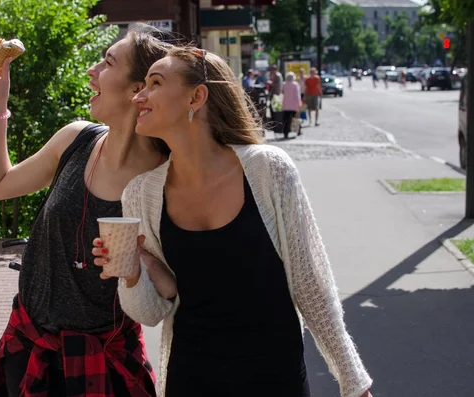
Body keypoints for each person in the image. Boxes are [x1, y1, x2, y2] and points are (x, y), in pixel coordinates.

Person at [92, 47, 373, 397]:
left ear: (197, 96)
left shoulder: (269, 171)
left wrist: (354, 381)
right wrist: (132, 273)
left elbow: (311, 285)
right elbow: (150, 312)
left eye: (156, 83)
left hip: (276, 378)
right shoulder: (141, 194)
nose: (140, 95)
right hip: (191, 379)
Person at [0, 24, 173, 396]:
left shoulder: (163, 179)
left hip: (101, 363)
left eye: (108, 62)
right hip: (28, 345)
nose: (91, 70)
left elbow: (170, 288)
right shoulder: (76, 139)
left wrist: (141, 262)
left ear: (136, 90)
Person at [282, 72, 302, 138]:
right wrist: (299, 103)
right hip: (294, 105)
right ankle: (297, 131)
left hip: (285, 104)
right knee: (295, 118)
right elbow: (297, 95)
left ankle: (285, 132)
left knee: (286, 120)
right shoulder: (295, 85)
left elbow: (282, 93)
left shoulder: (284, 84)